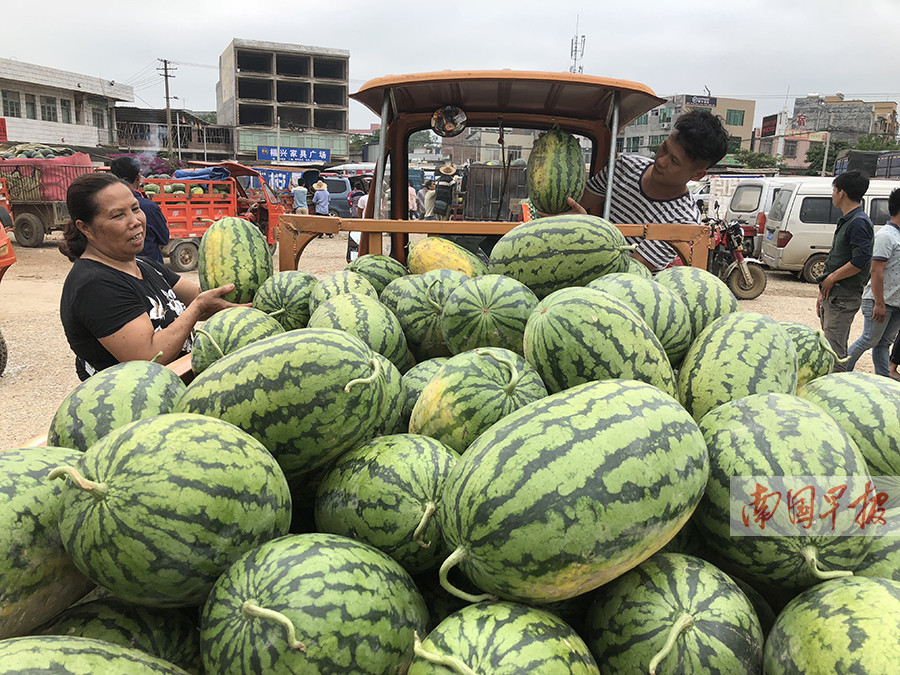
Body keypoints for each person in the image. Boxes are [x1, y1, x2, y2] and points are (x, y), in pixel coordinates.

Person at [59, 173, 241, 381]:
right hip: (136, 404)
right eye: (118, 215)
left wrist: (249, 306)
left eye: (135, 209)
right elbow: (149, 356)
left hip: (173, 389)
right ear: (85, 228)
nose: (135, 221)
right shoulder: (94, 284)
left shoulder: (146, 265)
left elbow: (202, 297)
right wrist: (198, 308)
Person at [575, 109, 729, 272]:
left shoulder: (683, 220)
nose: (661, 161)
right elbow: (576, 204)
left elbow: (630, 269)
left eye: (674, 161)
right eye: (664, 148)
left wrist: (589, 231)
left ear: (698, 175)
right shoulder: (624, 167)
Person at [815, 169, 874, 368]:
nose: (833, 194)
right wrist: (822, 291)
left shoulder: (859, 222)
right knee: (829, 346)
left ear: (842, 193)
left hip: (844, 295)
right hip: (833, 294)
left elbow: (861, 260)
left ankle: (836, 391)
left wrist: (831, 279)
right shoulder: (849, 220)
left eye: (834, 190)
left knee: (835, 352)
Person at [843, 187, 900, 377]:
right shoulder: (886, 236)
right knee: (869, 339)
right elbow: (876, 271)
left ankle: (884, 381)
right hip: (880, 302)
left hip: (896, 303)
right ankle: (840, 373)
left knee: (883, 344)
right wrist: (879, 303)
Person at [108, 156, 169, 264]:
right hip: (151, 268)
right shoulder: (148, 207)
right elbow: (164, 238)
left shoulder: (105, 206)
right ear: (138, 178)